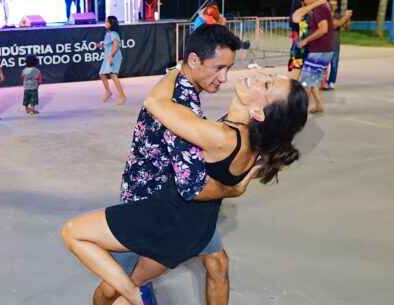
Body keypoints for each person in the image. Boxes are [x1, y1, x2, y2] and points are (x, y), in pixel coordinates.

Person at [62, 65, 309, 305]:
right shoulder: (256, 143)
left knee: (74, 233)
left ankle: (133, 296)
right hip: (192, 230)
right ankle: (129, 293)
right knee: (111, 287)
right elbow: (230, 179)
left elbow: (156, 103)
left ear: (258, 112)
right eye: (269, 75)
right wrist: (232, 190)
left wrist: (177, 70)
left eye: (266, 84)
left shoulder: (221, 138)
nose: (257, 76)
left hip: (166, 219)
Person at [93, 25, 249, 305]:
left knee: (217, 263)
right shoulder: (181, 106)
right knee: (118, 283)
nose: (224, 78)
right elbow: (193, 187)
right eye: (218, 68)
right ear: (193, 60)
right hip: (149, 203)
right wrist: (235, 189)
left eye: (229, 68)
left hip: (173, 198)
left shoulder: (177, 82)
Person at [296, 0, 334, 113]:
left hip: (319, 50)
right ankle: (319, 105)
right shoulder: (321, 7)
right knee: (313, 80)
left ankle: (301, 110)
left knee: (306, 81)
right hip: (323, 49)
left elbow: (323, 29)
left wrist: (306, 41)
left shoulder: (319, 8)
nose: (303, 2)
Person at [323, 0, 352, 91]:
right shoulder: (325, 15)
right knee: (324, 64)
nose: (333, 6)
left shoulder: (338, 15)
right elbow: (335, 25)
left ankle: (331, 82)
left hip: (335, 43)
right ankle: (322, 82)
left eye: (335, 5)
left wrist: (348, 19)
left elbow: (346, 27)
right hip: (324, 43)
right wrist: (346, 16)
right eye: (331, 4)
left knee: (334, 63)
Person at [99, 16, 126, 104]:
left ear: (111, 24)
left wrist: (111, 56)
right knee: (102, 74)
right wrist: (100, 46)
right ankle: (108, 91)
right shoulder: (108, 33)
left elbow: (116, 45)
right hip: (108, 56)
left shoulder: (114, 33)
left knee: (113, 75)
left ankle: (122, 96)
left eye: (107, 21)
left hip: (114, 56)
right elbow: (107, 45)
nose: (105, 23)